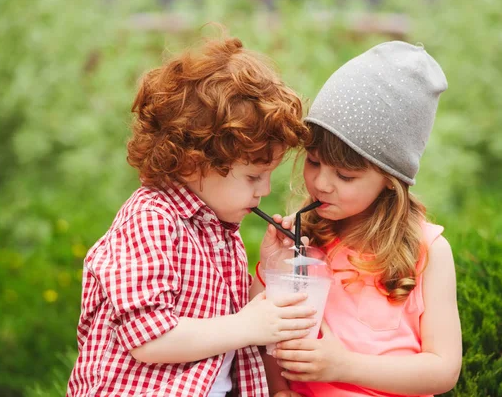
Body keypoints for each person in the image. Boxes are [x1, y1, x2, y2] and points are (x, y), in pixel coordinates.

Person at [66, 35, 318, 397]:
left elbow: (232, 321)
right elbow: (149, 340)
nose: (264, 191)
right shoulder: (151, 218)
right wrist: (247, 325)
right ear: (193, 162)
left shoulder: (219, 231)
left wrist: (271, 271)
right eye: (252, 176)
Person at [252, 41, 463, 397]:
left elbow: (443, 370)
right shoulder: (304, 240)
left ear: (390, 180)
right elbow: (263, 331)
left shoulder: (428, 252)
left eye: (345, 176)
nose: (321, 183)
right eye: (314, 161)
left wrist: (344, 366)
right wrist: (273, 266)